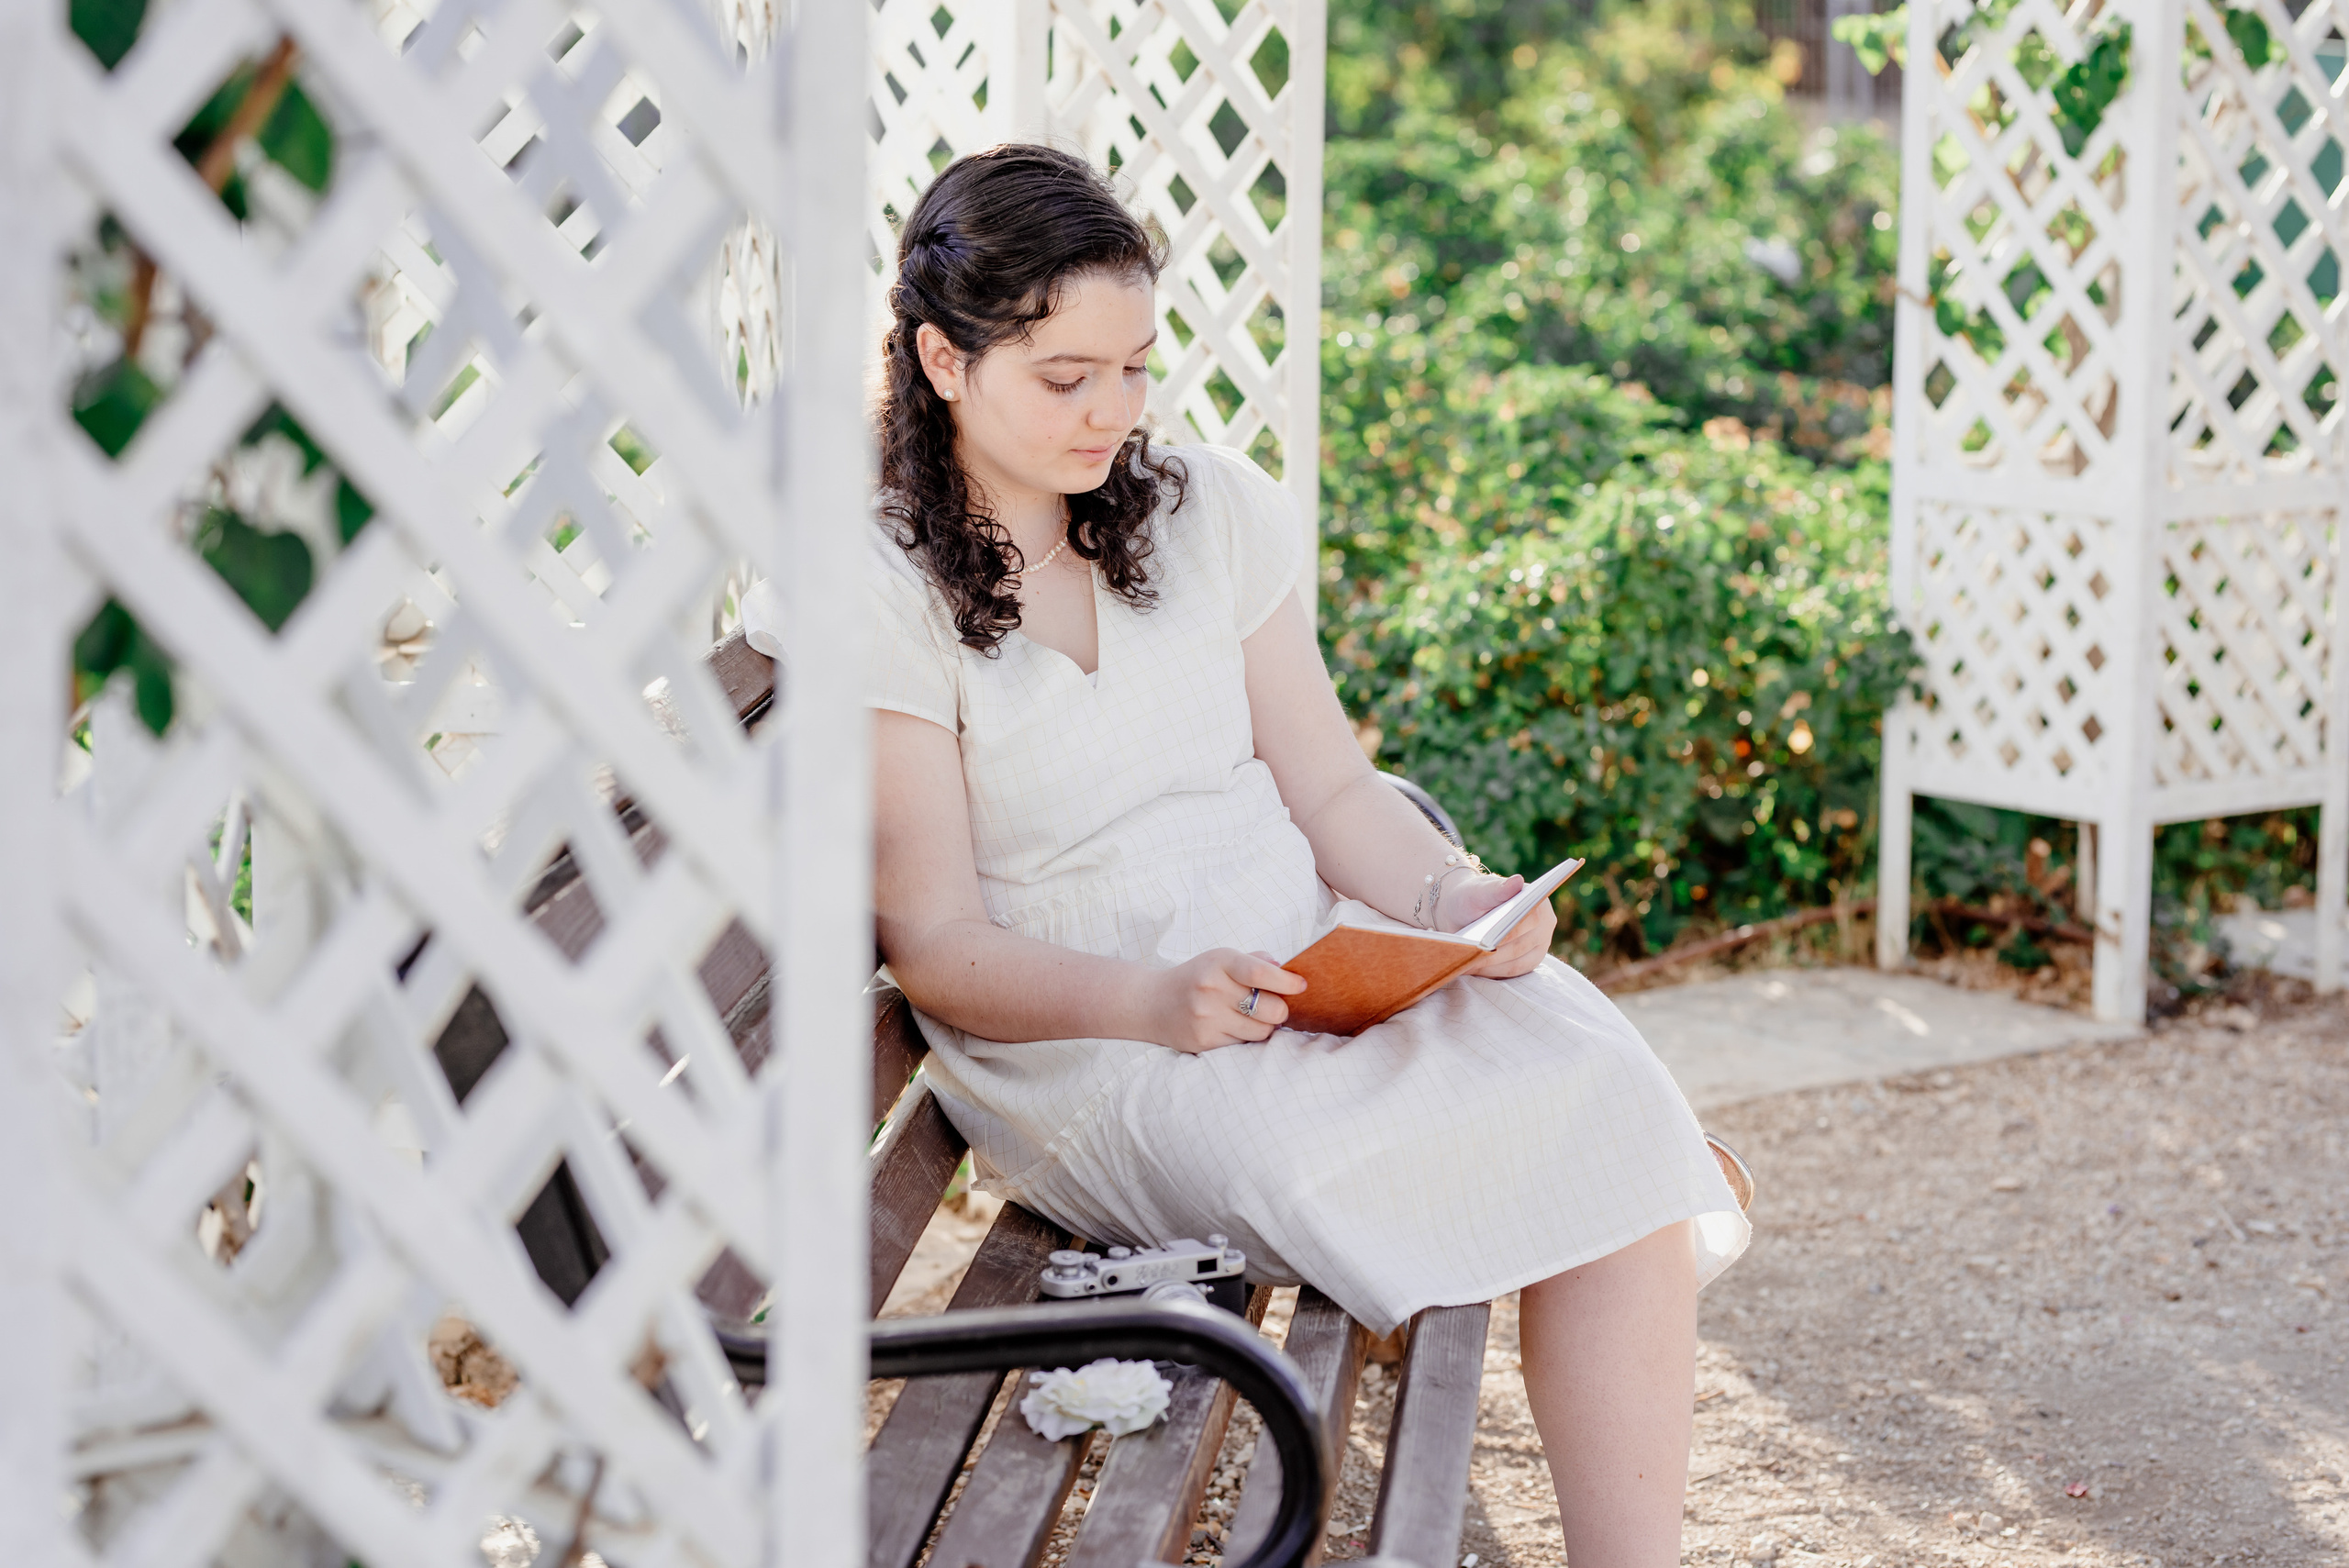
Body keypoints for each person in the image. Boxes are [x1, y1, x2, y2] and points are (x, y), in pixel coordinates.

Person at [784, 144, 1747, 1566]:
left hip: (1294, 958)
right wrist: (1153, 998)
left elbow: (1336, 786)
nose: (1111, 411)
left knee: (1598, 1084)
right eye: (1065, 378)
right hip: (1093, 1039)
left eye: (1133, 368)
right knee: (1350, 1157)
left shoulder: (1203, 511)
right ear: (940, 358)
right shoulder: (882, 591)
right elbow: (935, 944)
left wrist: (1444, 898)